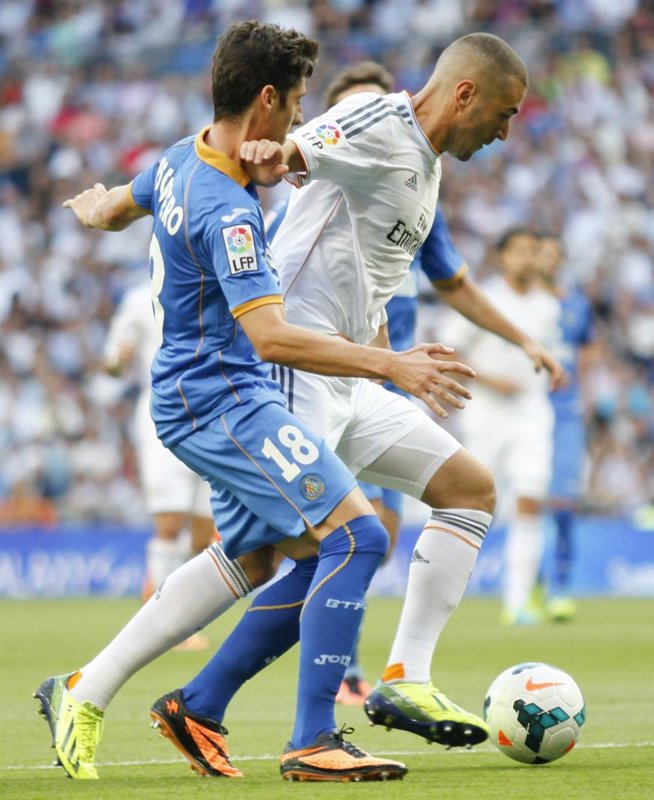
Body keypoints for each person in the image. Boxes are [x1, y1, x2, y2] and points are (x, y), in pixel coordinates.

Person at [36, 21, 475, 782]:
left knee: (265, 558)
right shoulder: (230, 212)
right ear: (268, 99)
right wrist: (389, 364)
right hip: (223, 399)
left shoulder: (179, 156)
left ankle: (113, 693)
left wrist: (94, 206)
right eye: (298, 102)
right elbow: (270, 338)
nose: (301, 117)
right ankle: (311, 739)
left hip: (207, 391)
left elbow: (116, 209)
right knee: (357, 539)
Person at [143, 32, 545, 777]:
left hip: (356, 377)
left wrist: (387, 344)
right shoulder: (379, 121)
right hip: (301, 363)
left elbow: (368, 259)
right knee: (323, 547)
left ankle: (400, 678)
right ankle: (302, 734)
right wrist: (273, 152)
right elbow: (297, 150)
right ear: (465, 93)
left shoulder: (426, 162)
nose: (505, 131)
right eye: (505, 113)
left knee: (467, 490)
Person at [443, 228, 563, 625]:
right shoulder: (483, 298)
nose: (528, 258)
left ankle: (517, 602)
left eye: (534, 250)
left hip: (532, 410)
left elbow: (551, 352)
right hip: (487, 412)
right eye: (521, 250)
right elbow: (451, 350)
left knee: (530, 498)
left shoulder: (548, 306)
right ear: (502, 256)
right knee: (470, 501)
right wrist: (493, 381)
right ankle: (443, 590)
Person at [104, 279, 215, 651]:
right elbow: (111, 362)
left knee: (203, 535)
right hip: (162, 411)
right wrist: (118, 361)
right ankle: (165, 623)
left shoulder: (211, 286)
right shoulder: (139, 299)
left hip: (211, 411)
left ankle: (175, 609)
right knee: (169, 522)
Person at [535, 231, 595, 621]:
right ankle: (530, 583)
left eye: (556, 254)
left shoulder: (576, 304)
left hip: (566, 412)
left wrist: (579, 390)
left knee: (562, 503)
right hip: (527, 411)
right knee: (528, 501)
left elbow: (588, 349)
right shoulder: (521, 304)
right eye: (543, 253)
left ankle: (560, 586)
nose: (550, 260)